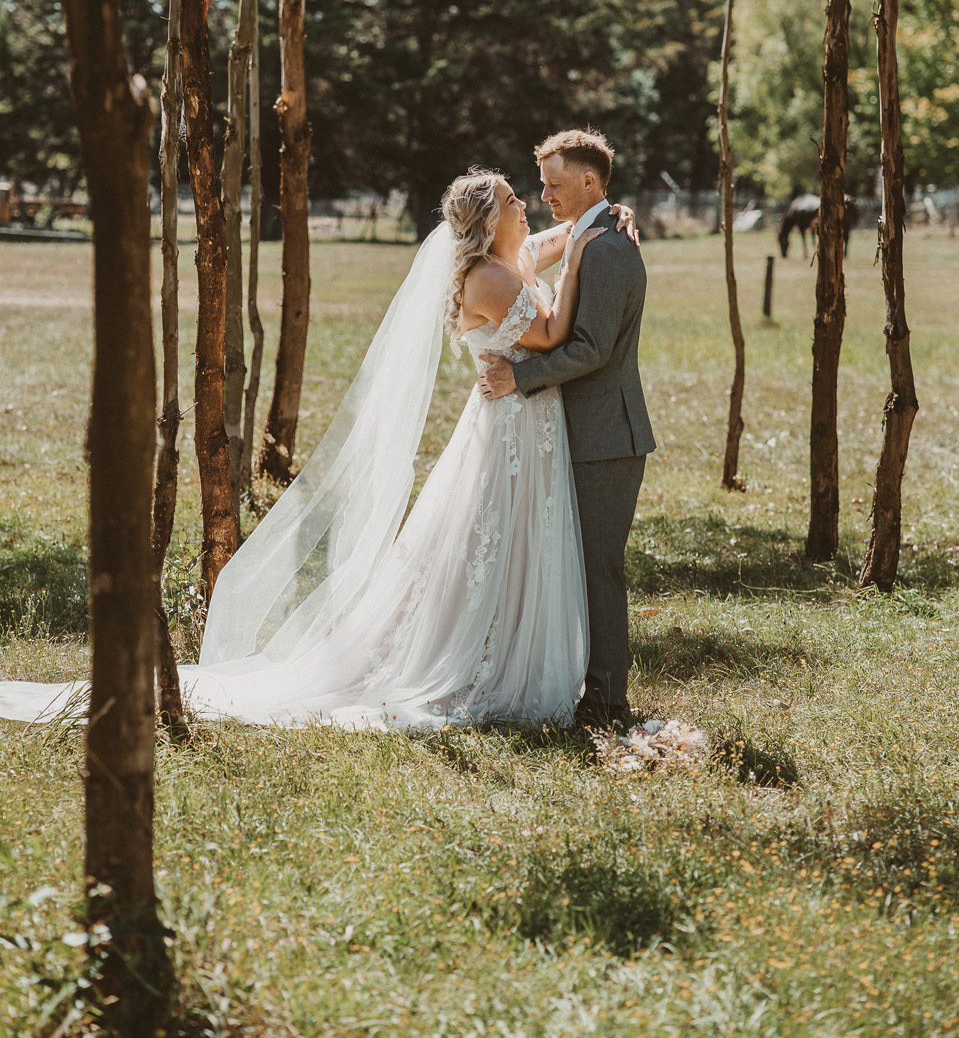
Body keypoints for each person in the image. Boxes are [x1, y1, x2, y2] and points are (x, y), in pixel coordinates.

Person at [0, 169, 635, 732]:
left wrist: (598, 218)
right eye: (513, 199)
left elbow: (551, 240)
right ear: (490, 221)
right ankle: (477, 656)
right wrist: (580, 259)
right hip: (511, 428)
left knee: (509, 537)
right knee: (493, 535)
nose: (526, 205)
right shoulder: (490, 278)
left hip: (526, 424)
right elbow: (552, 332)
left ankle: (509, 640)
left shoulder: (508, 258)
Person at [478, 129, 655, 729]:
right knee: (571, 565)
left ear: (588, 181)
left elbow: (591, 349)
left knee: (598, 567)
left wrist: (518, 378)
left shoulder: (606, 249)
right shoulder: (587, 234)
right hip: (572, 431)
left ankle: (607, 701)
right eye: (541, 184)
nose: (545, 195)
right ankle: (568, 680)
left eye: (555, 184)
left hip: (605, 435)